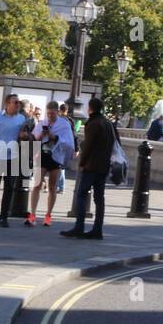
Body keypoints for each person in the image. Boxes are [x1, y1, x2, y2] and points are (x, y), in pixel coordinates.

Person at [61, 97, 116, 240]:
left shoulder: (93, 123)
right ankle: (97, 229)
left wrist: (81, 163)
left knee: (81, 194)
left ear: (90, 108)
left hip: (91, 165)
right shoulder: (108, 123)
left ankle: (79, 226)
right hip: (103, 166)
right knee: (99, 198)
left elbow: (88, 146)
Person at [26, 101, 75, 227]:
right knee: (37, 185)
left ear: (57, 112)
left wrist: (55, 138)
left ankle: (48, 215)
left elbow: (69, 143)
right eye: (48, 113)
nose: (50, 116)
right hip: (42, 154)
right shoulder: (43, 123)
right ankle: (32, 214)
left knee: (52, 188)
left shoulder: (64, 124)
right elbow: (35, 138)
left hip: (56, 157)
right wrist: (42, 135)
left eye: (52, 113)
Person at [0, 93, 28, 226]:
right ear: (7, 104)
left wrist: (24, 135)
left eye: (19, 102)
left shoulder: (21, 118)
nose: (17, 105)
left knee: (9, 187)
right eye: (15, 102)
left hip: (13, 157)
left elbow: (24, 135)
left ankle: (3, 217)